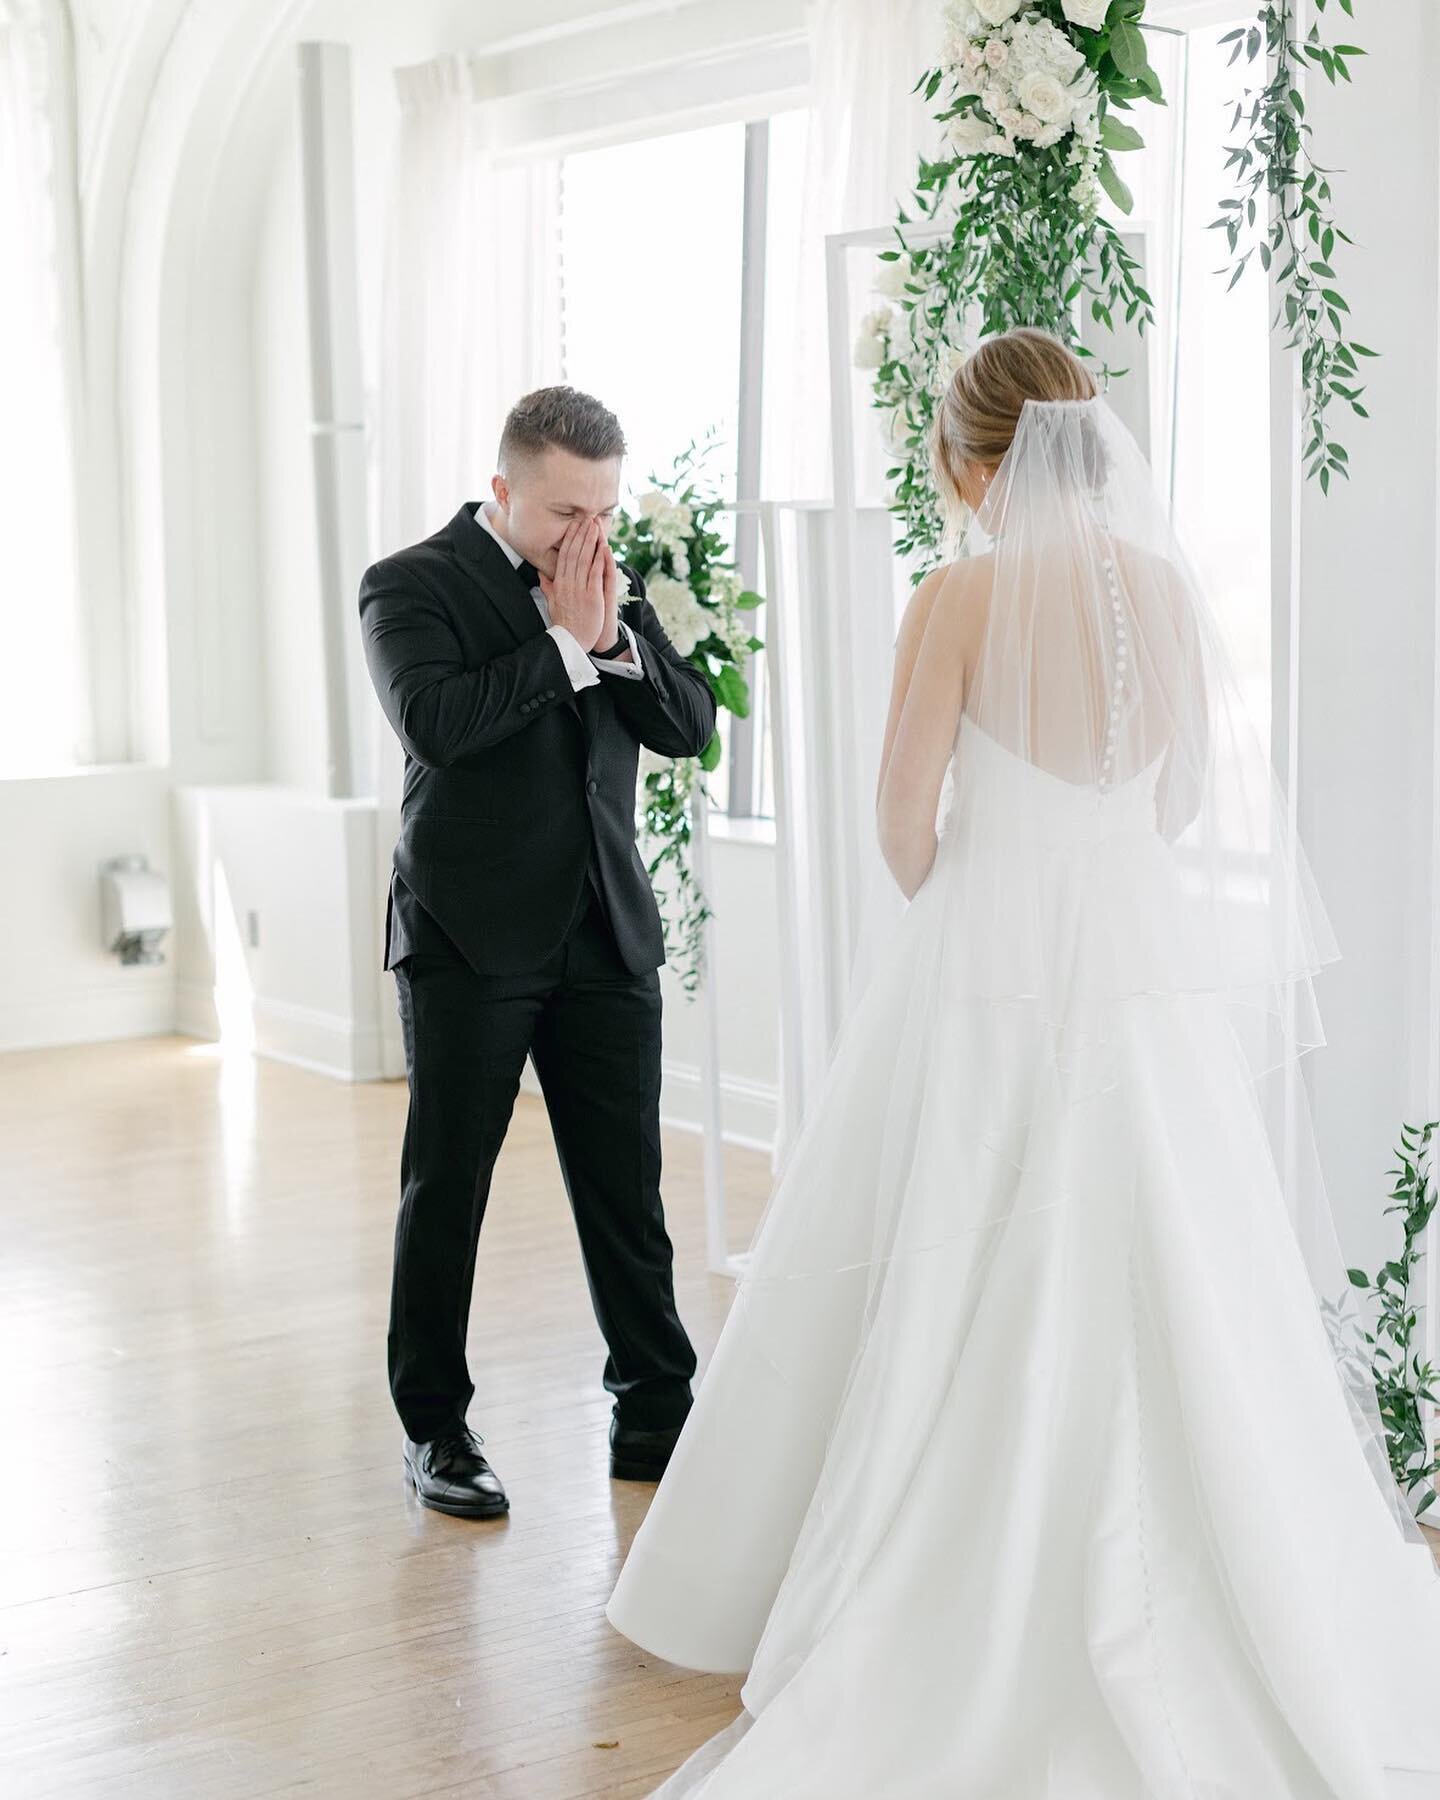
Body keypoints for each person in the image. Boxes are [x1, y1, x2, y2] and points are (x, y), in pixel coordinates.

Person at [604, 328, 1440, 1795]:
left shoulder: (960, 596)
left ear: (970, 458)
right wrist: (1091, 861)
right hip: (1134, 975)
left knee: (960, 1247)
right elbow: (1181, 794)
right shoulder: (1166, 595)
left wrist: (994, 888)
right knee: (1171, 1254)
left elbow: (902, 827)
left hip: (991, 969)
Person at [358, 385, 716, 1518]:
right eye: (567, 513)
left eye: (603, 510)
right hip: (469, 935)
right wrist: (564, 642)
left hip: (604, 928)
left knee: (628, 1191)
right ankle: (435, 1428)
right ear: (504, 490)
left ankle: (657, 1408)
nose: (590, 538)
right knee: (447, 1187)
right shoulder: (408, 586)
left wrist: (612, 638)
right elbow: (439, 726)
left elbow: (690, 726)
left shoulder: (611, 582)